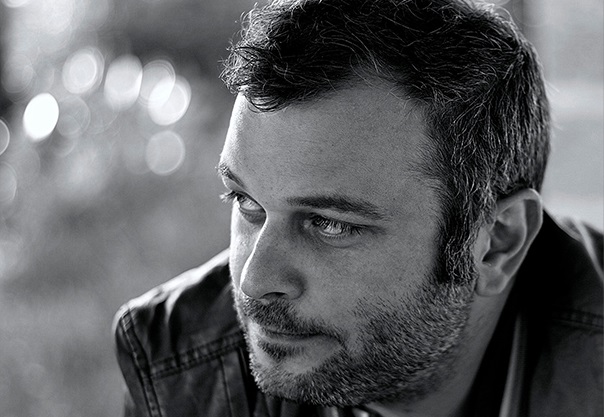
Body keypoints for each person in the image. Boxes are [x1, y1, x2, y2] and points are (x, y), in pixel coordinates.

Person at [113, 0, 603, 416]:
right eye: (246, 202)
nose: (253, 281)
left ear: (498, 242)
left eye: (329, 224)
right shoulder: (176, 365)